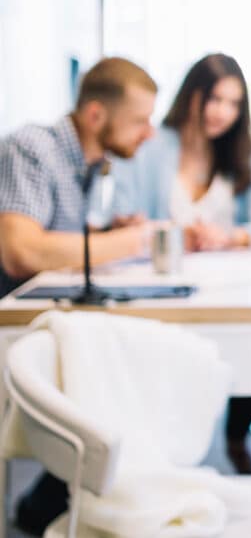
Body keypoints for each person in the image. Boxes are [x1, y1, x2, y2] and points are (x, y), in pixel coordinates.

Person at [0, 56, 158, 535]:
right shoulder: (32, 148)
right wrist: (132, 241)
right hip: (18, 325)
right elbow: (21, 250)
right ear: (95, 115)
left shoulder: (87, 164)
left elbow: (57, 234)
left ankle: (67, 498)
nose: (148, 133)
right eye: (139, 121)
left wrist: (106, 230)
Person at [111, 52, 251, 475]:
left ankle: (237, 439)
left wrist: (231, 236)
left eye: (234, 103)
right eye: (216, 99)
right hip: (162, 289)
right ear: (193, 95)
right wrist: (171, 234)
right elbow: (124, 217)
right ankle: (161, 459)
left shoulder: (245, 156)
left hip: (230, 289)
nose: (224, 112)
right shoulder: (149, 146)